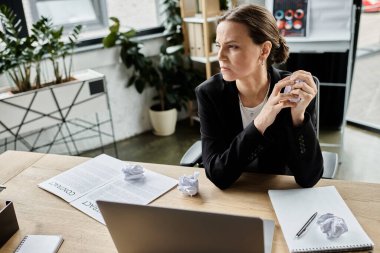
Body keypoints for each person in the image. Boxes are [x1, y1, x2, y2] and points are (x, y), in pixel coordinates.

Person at [195, 4, 323, 190]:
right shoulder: (209, 94)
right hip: (236, 196)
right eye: (218, 45)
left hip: (279, 197)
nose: (220, 56)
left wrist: (298, 119)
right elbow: (218, 175)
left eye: (232, 46)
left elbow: (309, 178)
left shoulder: (295, 92)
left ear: (264, 50)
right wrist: (261, 121)